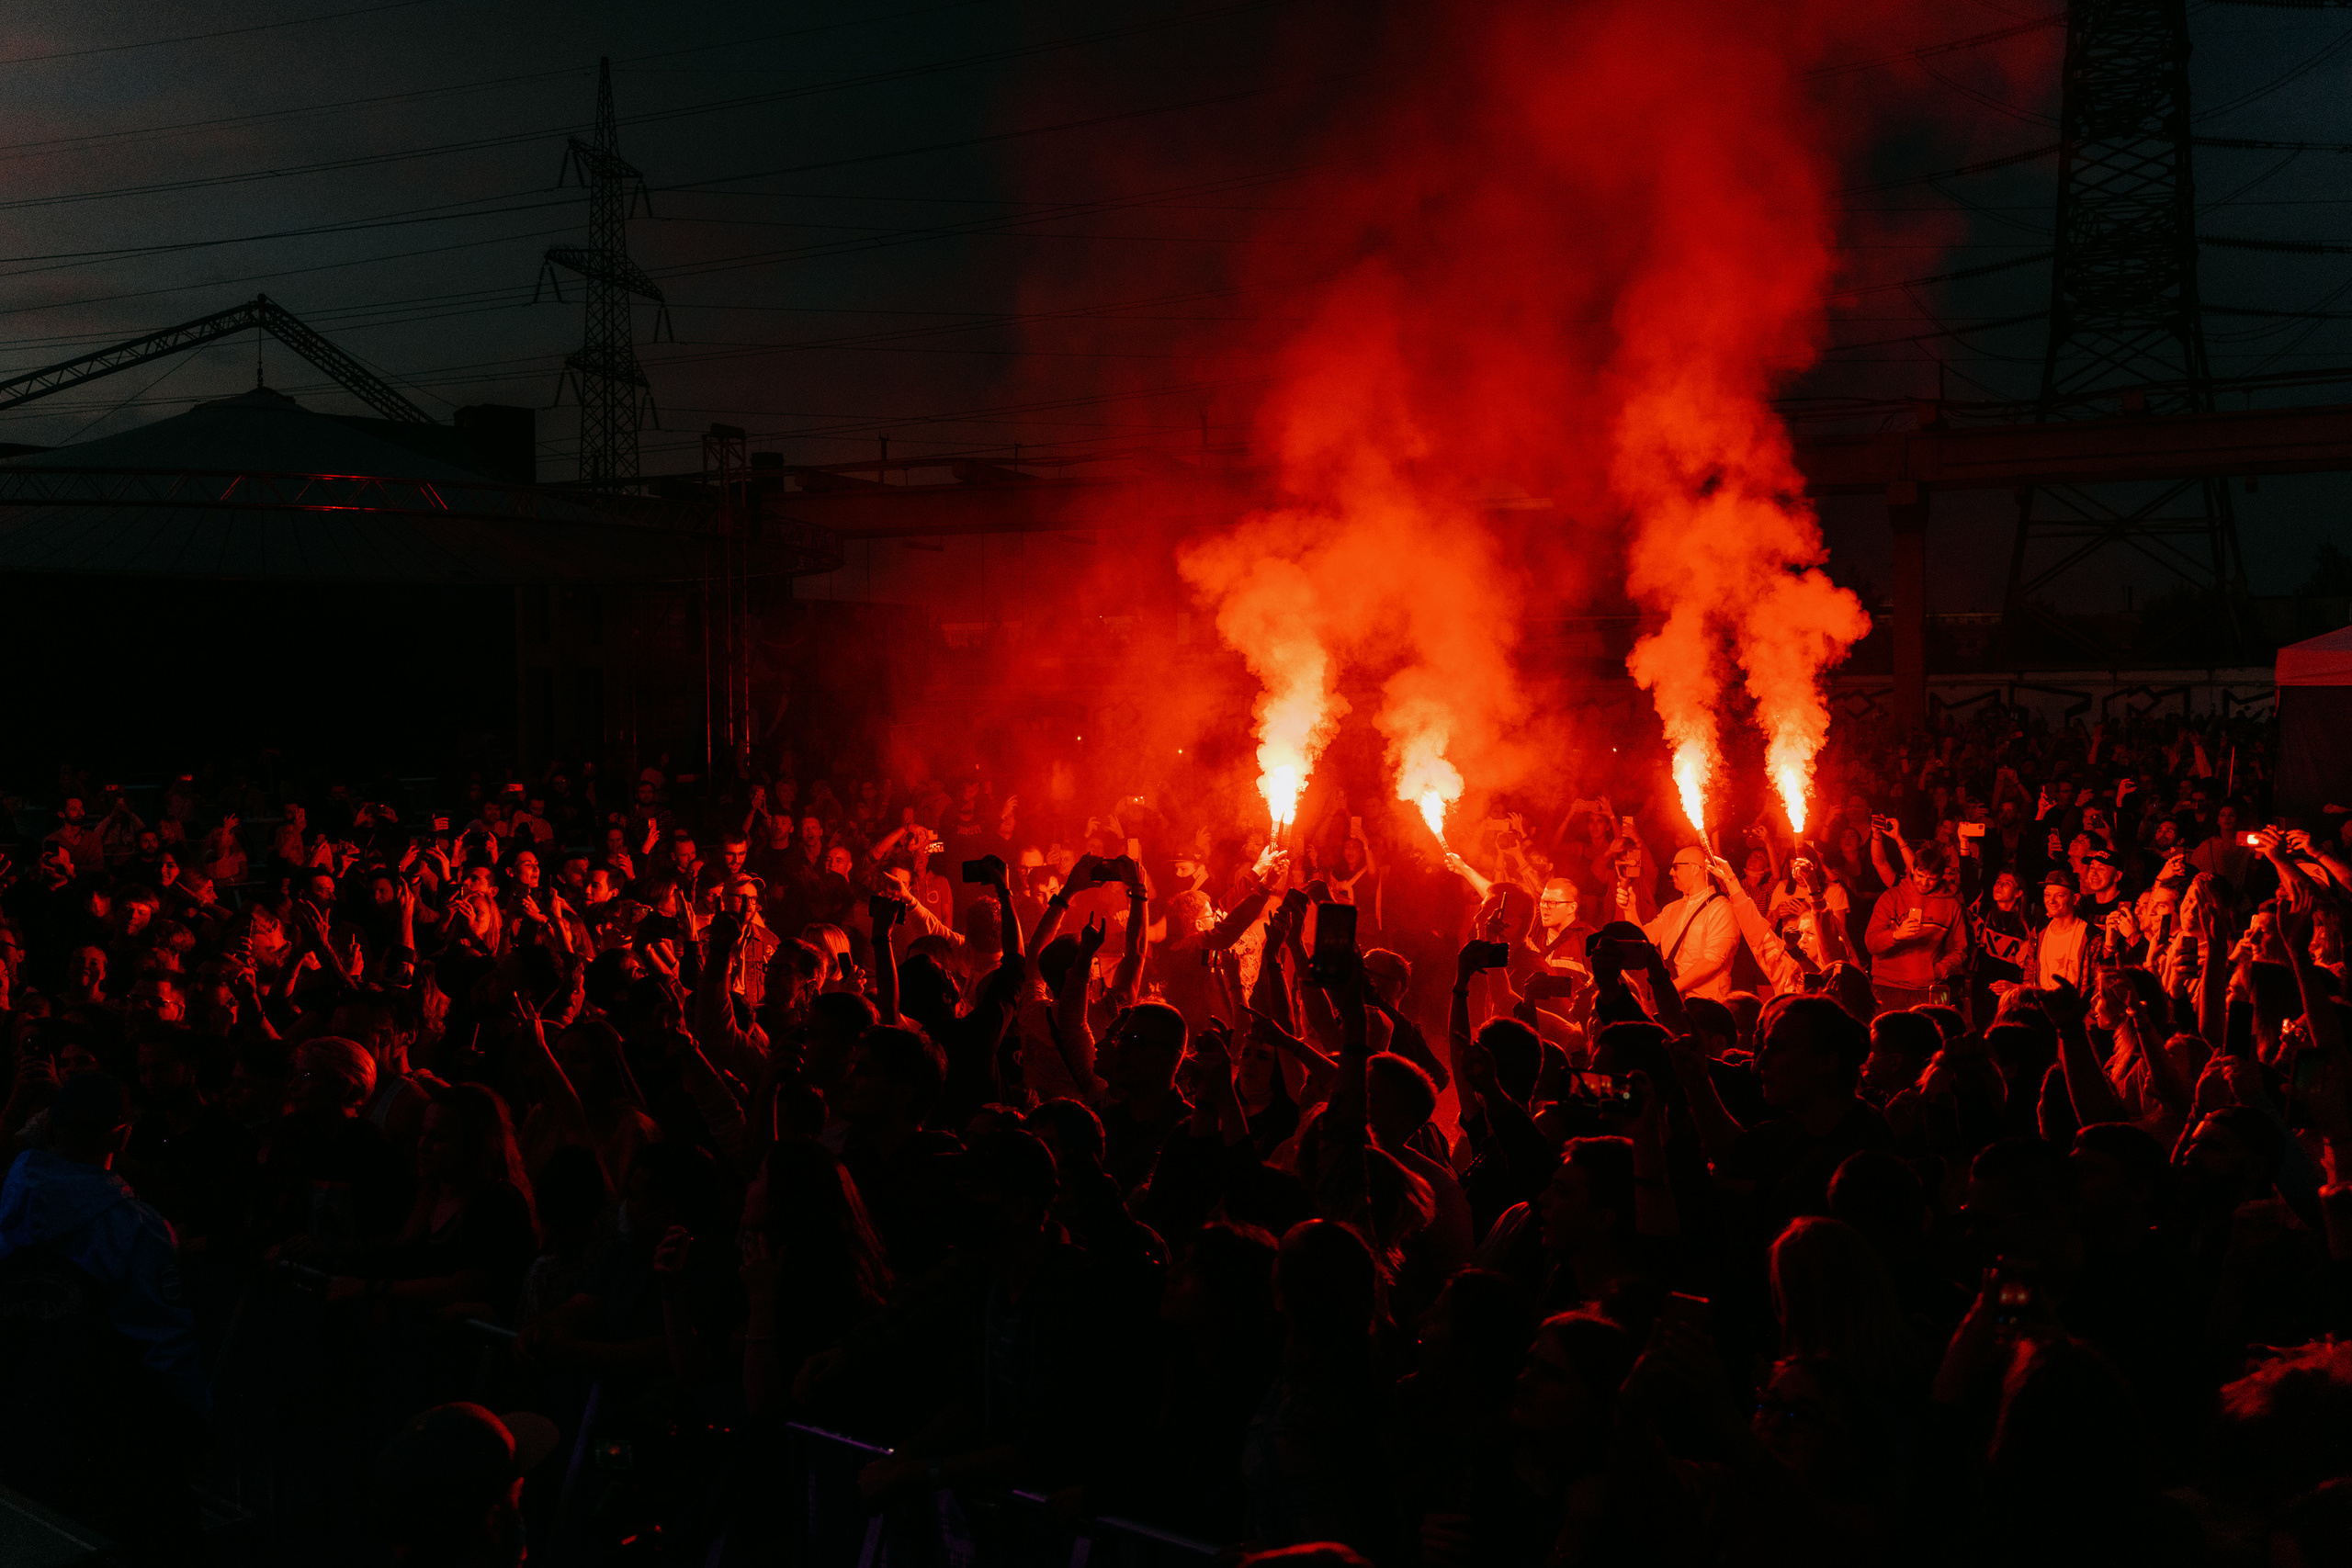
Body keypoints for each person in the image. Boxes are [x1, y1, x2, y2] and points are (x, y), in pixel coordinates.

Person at [1862, 840, 1968, 1013]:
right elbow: (1871, 943)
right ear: (1912, 870)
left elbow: (1959, 948)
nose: (1924, 883)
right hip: (1887, 986)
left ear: (1940, 877)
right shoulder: (1891, 897)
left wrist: (1939, 971)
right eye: (1920, 876)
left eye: (1931, 879)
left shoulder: (1951, 904)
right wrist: (1896, 935)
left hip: (1927, 989)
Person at [1643, 845, 1736, 999]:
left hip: (1706, 1004)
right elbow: (1643, 939)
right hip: (1675, 1001)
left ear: (1694, 869)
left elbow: (1712, 961)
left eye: (1676, 867)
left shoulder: (1721, 908)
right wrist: (1629, 908)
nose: (1671, 872)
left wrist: (1670, 988)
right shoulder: (1672, 908)